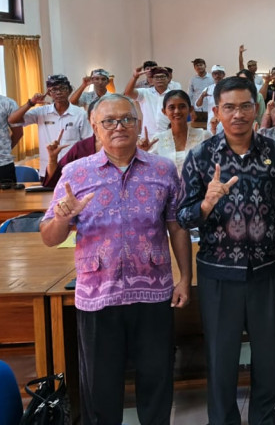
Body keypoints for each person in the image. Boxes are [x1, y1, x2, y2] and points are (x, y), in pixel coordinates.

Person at [39, 93, 191, 425]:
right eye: (109, 121)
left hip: (153, 293)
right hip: (98, 296)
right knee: (100, 389)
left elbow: (177, 226)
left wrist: (185, 279)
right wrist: (63, 217)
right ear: (94, 127)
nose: (119, 127)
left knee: (157, 381)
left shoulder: (162, 169)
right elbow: (49, 238)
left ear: (139, 124)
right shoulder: (75, 173)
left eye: (126, 119)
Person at [177, 76, 275, 425]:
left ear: (256, 109)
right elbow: (182, 217)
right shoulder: (200, 157)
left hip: (267, 270)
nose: (238, 114)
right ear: (216, 111)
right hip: (218, 274)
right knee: (221, 356)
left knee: (267, 354)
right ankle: (222, 419)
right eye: (229, 107)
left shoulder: (274, 153)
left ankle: (264, 416)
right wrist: (205, 205)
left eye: (246, 106)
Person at [9, 74, 94, 178]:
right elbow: (12, 120)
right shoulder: (42, 112)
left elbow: (88, 142)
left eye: (62, 88)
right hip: (48, 170)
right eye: (54, 89)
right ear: (49, 93)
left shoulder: (80, 114)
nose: (58, 92)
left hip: (73, 169)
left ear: (69, 90)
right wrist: (31, 103)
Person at [139, 90, 211, 174]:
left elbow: (213, 166)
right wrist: (143, 153)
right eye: (172, 107)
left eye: (182, 106)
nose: (177, 111)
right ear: (164, 111)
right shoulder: (157, 140)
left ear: (190, 109)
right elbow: (148, 171)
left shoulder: (204, 136)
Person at [124, 65, 173, 139]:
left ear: (168, 79)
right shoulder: (145, 93)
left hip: (168, 135)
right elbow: (128, 93)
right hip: (148, 136)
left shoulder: (173, 95)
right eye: (156, 77)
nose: (159, 79)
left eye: (162, 77)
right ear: (152, 80)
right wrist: (134, 77)